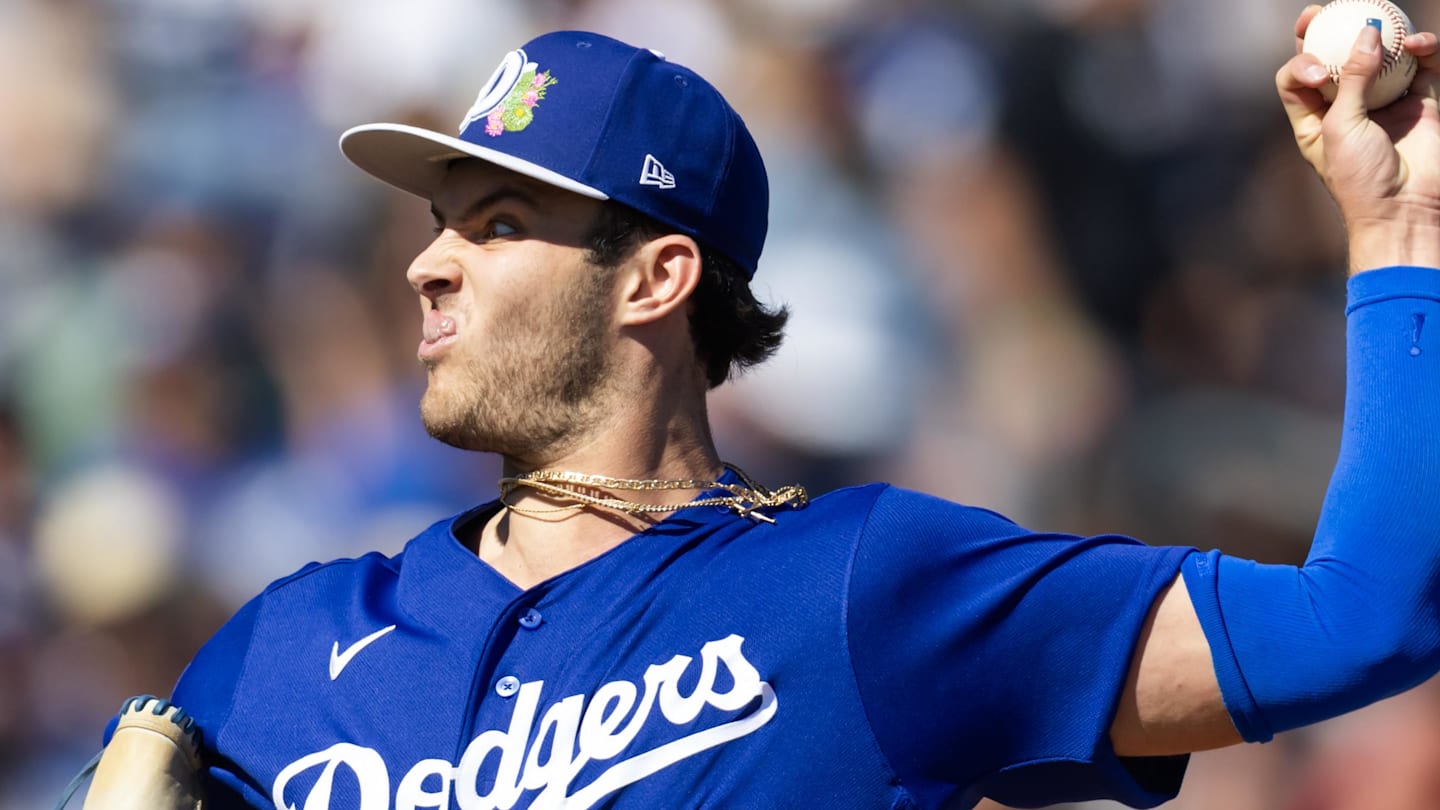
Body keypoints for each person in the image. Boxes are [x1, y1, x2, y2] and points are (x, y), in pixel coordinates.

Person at [110, 10, 1440, 808]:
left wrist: (1401, 231)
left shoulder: (861, 594)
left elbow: (1364, 616)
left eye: (501, 221)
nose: (429, 260)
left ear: (657, 276)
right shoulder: (282, 652)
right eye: (439, 222)